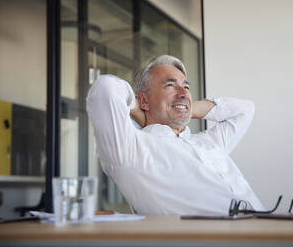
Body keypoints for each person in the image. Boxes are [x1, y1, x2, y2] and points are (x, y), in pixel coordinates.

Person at [86, 55, 264, 215]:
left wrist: (185, 107)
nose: (183, 92)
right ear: (144, 100)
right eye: (170, 85)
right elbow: (106, 88)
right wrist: (138, 111)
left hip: (271, 227)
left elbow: (245, 109)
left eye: (186, 87)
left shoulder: (208, 142)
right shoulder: (131, 149)